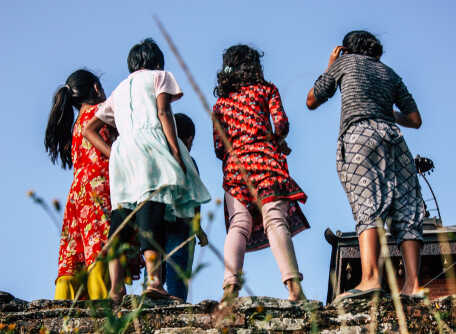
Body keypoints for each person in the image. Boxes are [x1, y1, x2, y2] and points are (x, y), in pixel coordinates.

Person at [83, 38, 211, 302]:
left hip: (122, 152)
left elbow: (89, 129)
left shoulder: (119, 89)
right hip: (150, 147)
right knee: (151, 211)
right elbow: (164, 113)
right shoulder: (159, 76)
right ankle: (154, 282)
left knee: (121, 219)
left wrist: (111, 153)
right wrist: (175, 150)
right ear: (157, 61)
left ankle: (115, 290)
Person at [306, 31, 425, 301]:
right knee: (407, 209)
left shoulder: (344, 63)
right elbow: (415, 119)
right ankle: (413, 284)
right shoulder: (389, 72)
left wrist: (330, 66)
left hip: (361, 137)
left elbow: (312, 100)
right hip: (394, 139)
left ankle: (371, 278)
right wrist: (385, 112)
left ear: (347, 49)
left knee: (367, 204)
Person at [213, 44, 309, 302]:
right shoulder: (266, 90)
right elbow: (282, 123)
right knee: (276, 221)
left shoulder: (221, 103)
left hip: (236, 170)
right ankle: (294, 288)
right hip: (266, 162)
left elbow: (219, 147)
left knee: (238, 226)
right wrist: (276, 140)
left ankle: (230, 290)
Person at [45, 69, 115, 300]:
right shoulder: (101, 113)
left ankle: (63, 303)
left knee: (74, 252)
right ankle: (101, 304)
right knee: (101, 245)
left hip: (77, 193)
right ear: (96, 88)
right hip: (100, 187)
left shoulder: (76, 125)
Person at [160, 112, 208, 302]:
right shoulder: (189, 160)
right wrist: (199, 229)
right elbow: (195, 197)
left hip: (157, 221)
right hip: (183, 225)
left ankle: (150, 302)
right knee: (177, 274)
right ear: (189, 140)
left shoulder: (159, 155)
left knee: (155, 267)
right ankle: (177, 304)